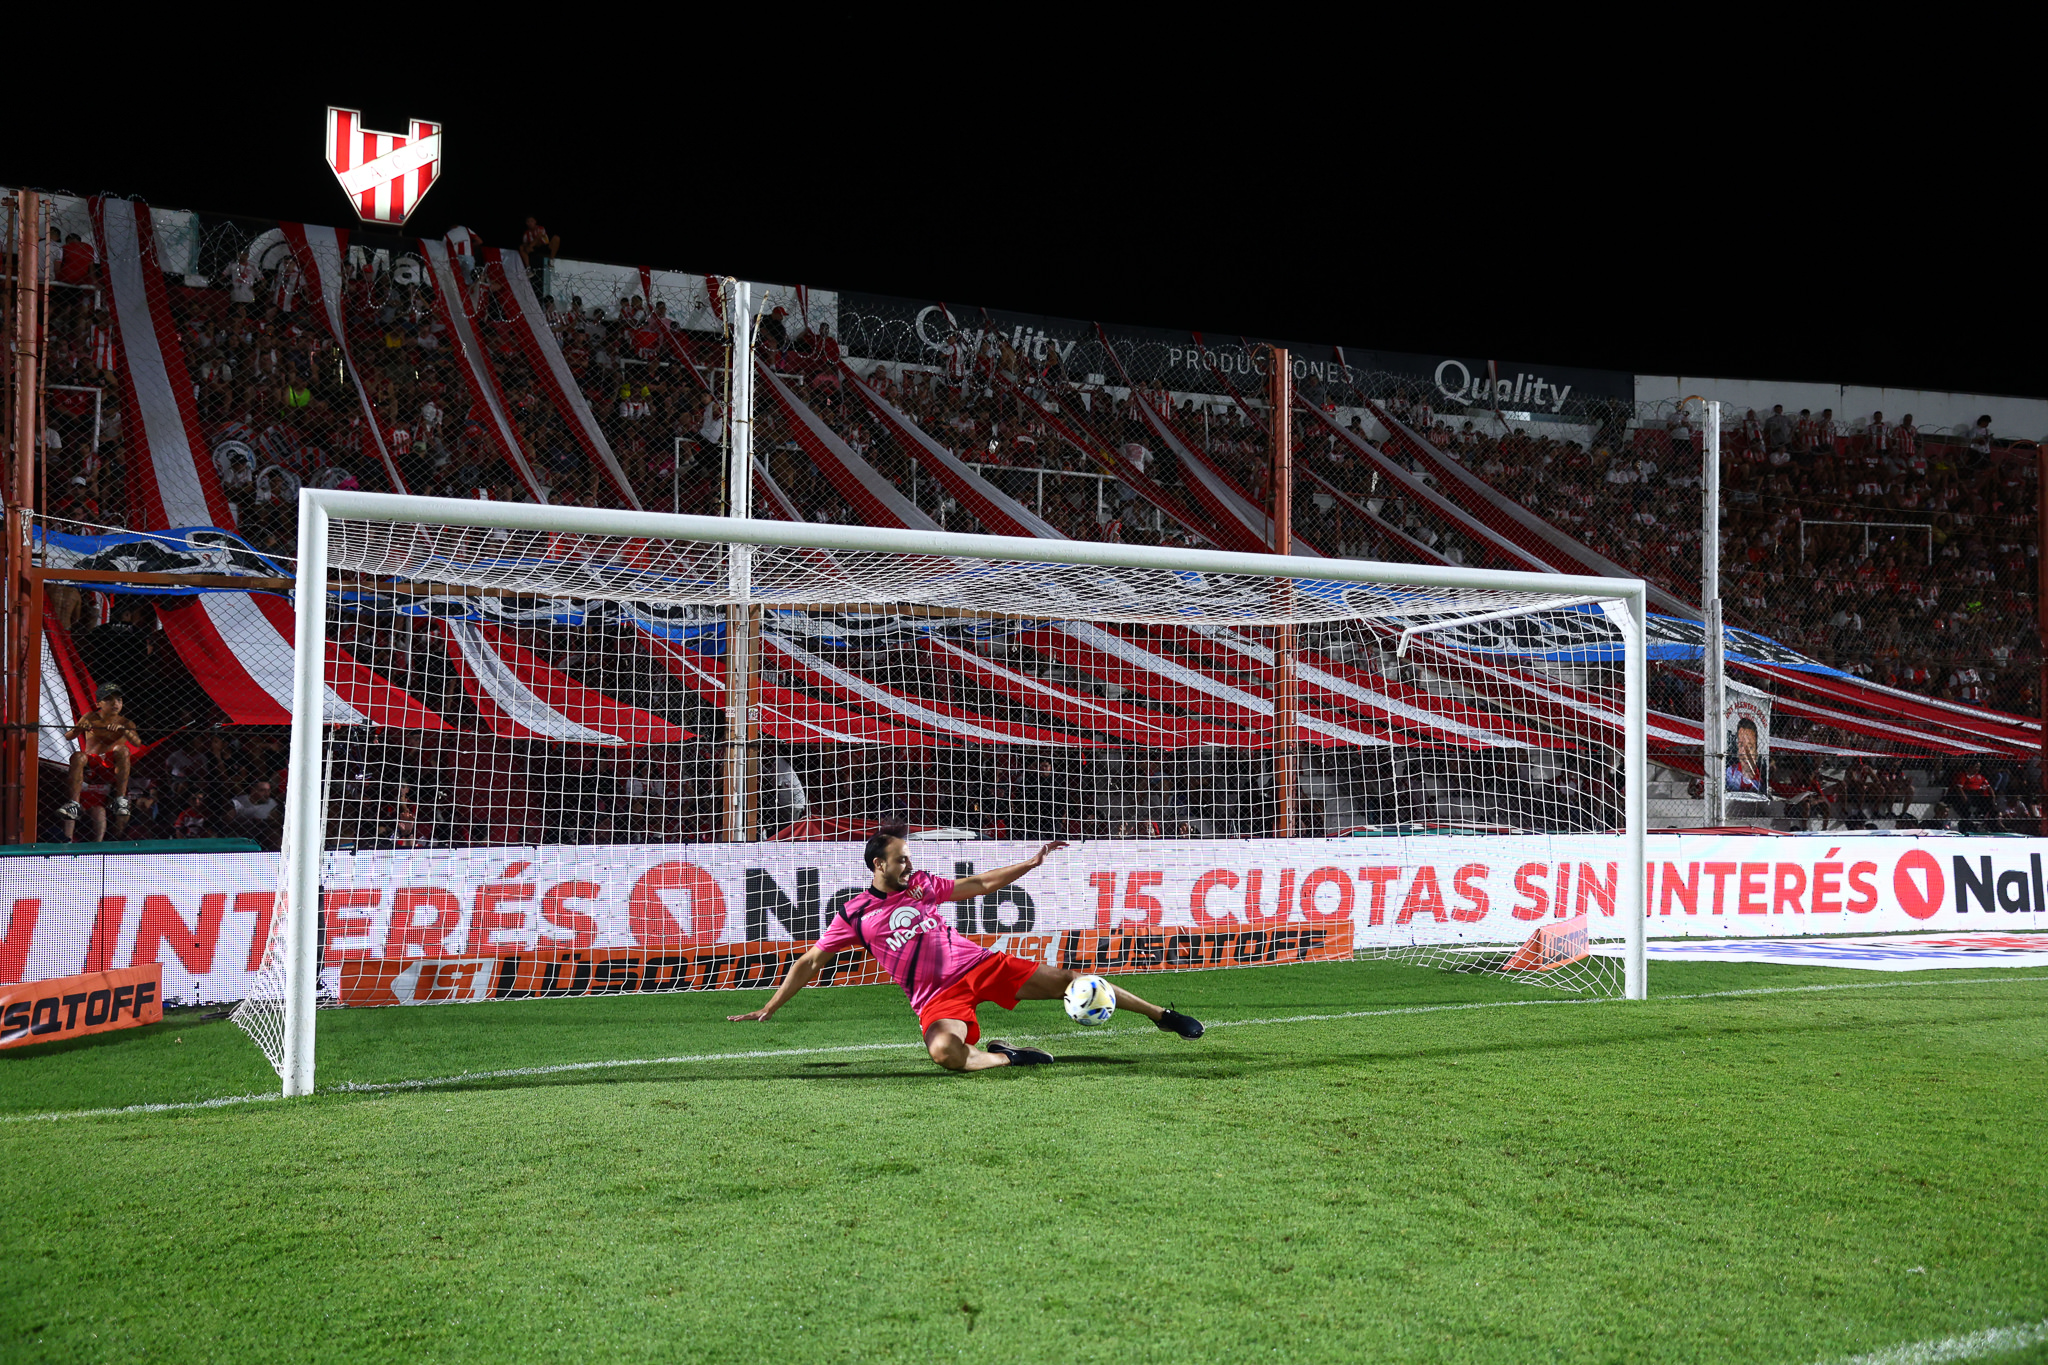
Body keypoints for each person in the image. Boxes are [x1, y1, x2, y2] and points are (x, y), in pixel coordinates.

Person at [729, 824, 1204, 1070]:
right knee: (945, 1054)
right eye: (900, 859)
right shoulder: (855, 914)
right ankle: (1007, 1056)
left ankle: (1162, 1016)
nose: (908, 864)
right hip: (937, 999)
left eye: (909, 857)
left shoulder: (922, 886)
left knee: (1075, 980)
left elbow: (979, 885)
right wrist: (771, 1006)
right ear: (878, 865)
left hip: (980, 966)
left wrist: (1030, 864)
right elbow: (811, 961)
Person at [58, 684, 138, 842]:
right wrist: (79, 729)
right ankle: (73, 808)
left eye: (119, 700)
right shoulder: (90, 717)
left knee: (123, 750)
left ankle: (120, 801)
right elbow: (68, 736)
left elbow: (137, 743)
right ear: (98, 703)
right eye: (109, 700)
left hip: (109, 766)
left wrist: (125, 731)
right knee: (78, 756)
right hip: (92, 762)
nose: (115, 703)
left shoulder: (125, 722)